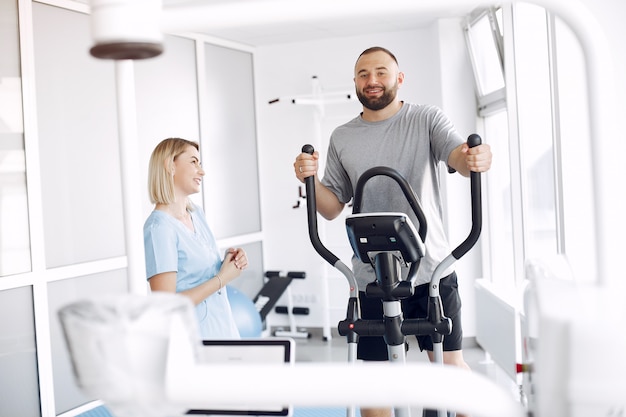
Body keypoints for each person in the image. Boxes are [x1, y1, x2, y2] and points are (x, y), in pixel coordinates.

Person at [293, 47, 492, 417]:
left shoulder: (425, 119)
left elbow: (459, 158)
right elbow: (332, 207)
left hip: (432, 270)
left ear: (399, 79)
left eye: (381, 72)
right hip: (371, 275)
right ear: (355, 82)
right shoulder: (342, 137)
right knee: (375, 386)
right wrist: (310, 179)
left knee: (452, 376)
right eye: (363, 74)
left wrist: (474, 159)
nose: (372, 81)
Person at [144, 137, 248, 340]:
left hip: (224, 331)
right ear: (169, 165)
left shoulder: (196, 214)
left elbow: (200, 273)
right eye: (193, 162)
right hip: (194, 341)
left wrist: (228, 261)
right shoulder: (159, 228)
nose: (201, 171)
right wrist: (222, 279)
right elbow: (167, 306)